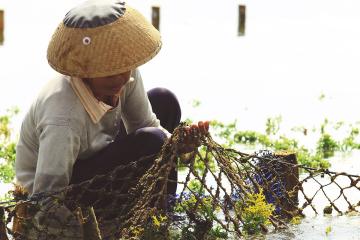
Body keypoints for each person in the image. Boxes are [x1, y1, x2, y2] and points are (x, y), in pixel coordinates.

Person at [15, 0, 208, 209]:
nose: (120, 80)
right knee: (154, 141)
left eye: (123, 70)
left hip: (97, 152)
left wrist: (180, 145)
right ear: (86, 73)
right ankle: (156, 218)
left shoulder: (125, 71)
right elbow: (47, 195)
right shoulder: (63, 118)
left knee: (164, 101)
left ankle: (159, 208)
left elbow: (145, 123)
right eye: (108, 76)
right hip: (63, 187)